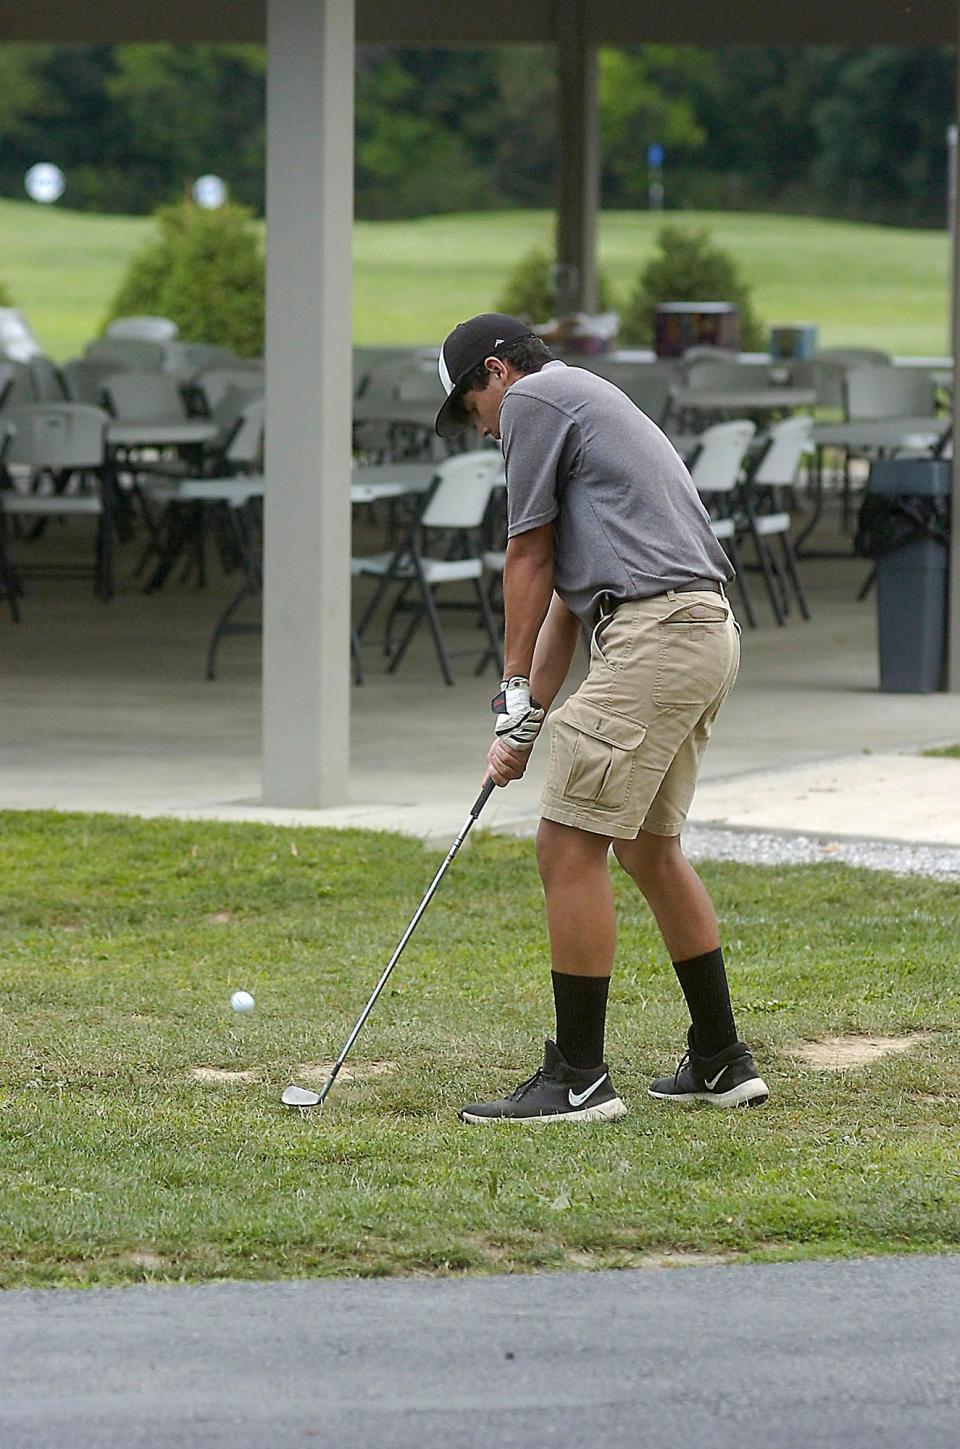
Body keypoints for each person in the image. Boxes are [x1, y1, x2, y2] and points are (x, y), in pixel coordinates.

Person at [434, 313, 769, 1124]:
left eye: (467, 405)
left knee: (565, 842)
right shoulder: (581, 402)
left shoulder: (535, 402)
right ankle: (721, 1058)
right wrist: (524, 717)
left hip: (657, 633)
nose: (475, 425)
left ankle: (578, 1078)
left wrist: (511, 685)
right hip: (696, 629)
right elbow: (566, 605)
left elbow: (529, 556)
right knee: (647, 847)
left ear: (496, 371)